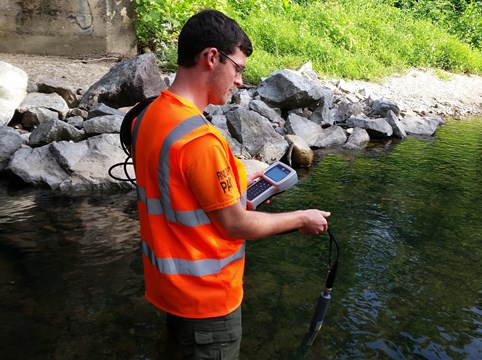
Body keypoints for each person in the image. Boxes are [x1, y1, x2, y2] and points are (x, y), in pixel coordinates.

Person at [128, 10, 331, 359]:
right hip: (208, 306)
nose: (239, 81)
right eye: (237, 69)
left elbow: (176, 186)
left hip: (170, 293)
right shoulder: (200, 140)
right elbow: (235, 223)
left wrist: (238, 177)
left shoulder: (148, 116)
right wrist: (301, 219)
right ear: (211, 58)